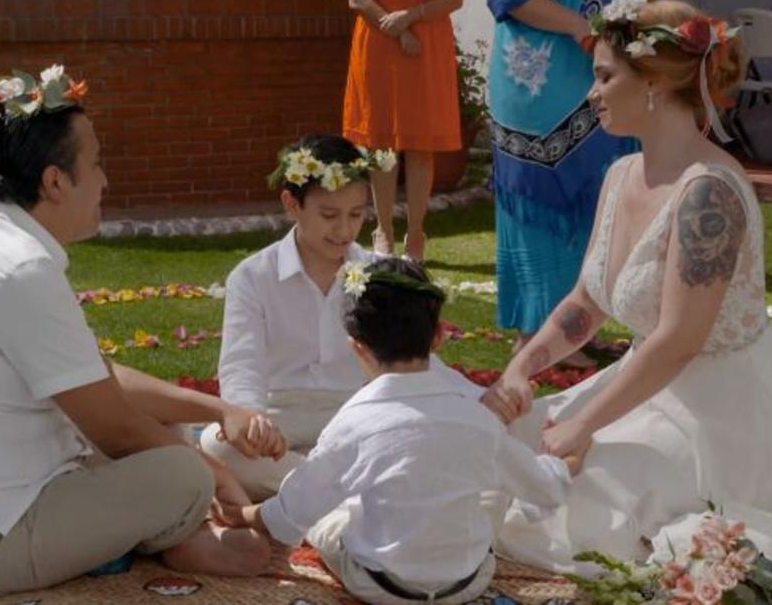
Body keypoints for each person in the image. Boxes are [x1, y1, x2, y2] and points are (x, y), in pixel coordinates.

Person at [0, 66, 285, 593]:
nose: (105, 181)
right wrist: (216, 475)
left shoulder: (0, 243)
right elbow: (112, 428)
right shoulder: (17, 268)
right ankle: (182, 534)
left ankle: (173, 524)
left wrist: (221, 410)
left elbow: (97, 376)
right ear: (54, 181)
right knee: (181, 470)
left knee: (168, 434)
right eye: (95, 164)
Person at [482, 0, 772, 597]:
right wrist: (520, 369)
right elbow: (587, 301)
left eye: (605, 76)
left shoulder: (709, 194)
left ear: (655, 84)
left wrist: (583, 424)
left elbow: (677, 341)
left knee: (583, 501)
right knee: (506, 453)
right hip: (652, 387)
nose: (592, 94)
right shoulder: (620, 176)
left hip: (724, 411)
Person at [216, 257, 585, 605]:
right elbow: (542, 487)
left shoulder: (356, 420)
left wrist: (245, 516)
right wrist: (565, 463)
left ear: (357, 347)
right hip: (468, 582)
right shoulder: (477, 418)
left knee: (331, 515)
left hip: (380, 586)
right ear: (438, 337)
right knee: (491, 487)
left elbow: (299, 505)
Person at [199, 134, 395, 500]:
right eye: (328, 215)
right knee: (218, 447)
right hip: (280, 415)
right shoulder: (253, 276)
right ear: (292, 203)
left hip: (356, 413)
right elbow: (242, 366)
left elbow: (406, 360)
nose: (344, 230)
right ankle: (346, 489)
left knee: (412, 435)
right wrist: (253, 422)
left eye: (356, 215)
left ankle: (308, 490)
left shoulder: (380, 274)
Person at [486, 0, 650, 367]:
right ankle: (534, 334)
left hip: (596, 90)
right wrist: (581, 27)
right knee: (541, 215)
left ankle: (572, 331)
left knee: (595, 215)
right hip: (541, 92)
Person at [344, 0, 466, 262]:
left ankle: (415, 233)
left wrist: (410, 16)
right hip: (378, 43)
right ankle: (383, 231)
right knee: (381, 144)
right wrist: (399, 29)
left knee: (421, 145)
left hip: (427, 46)